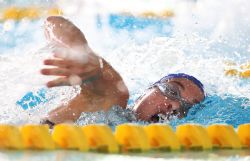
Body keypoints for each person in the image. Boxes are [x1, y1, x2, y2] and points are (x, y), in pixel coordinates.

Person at [41, 16, 205, 126]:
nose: (175, 105)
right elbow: (54, 23)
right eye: (171, 90)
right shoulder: (114, 97)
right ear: (146, 92)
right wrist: (82, 55)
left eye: (186, 108)